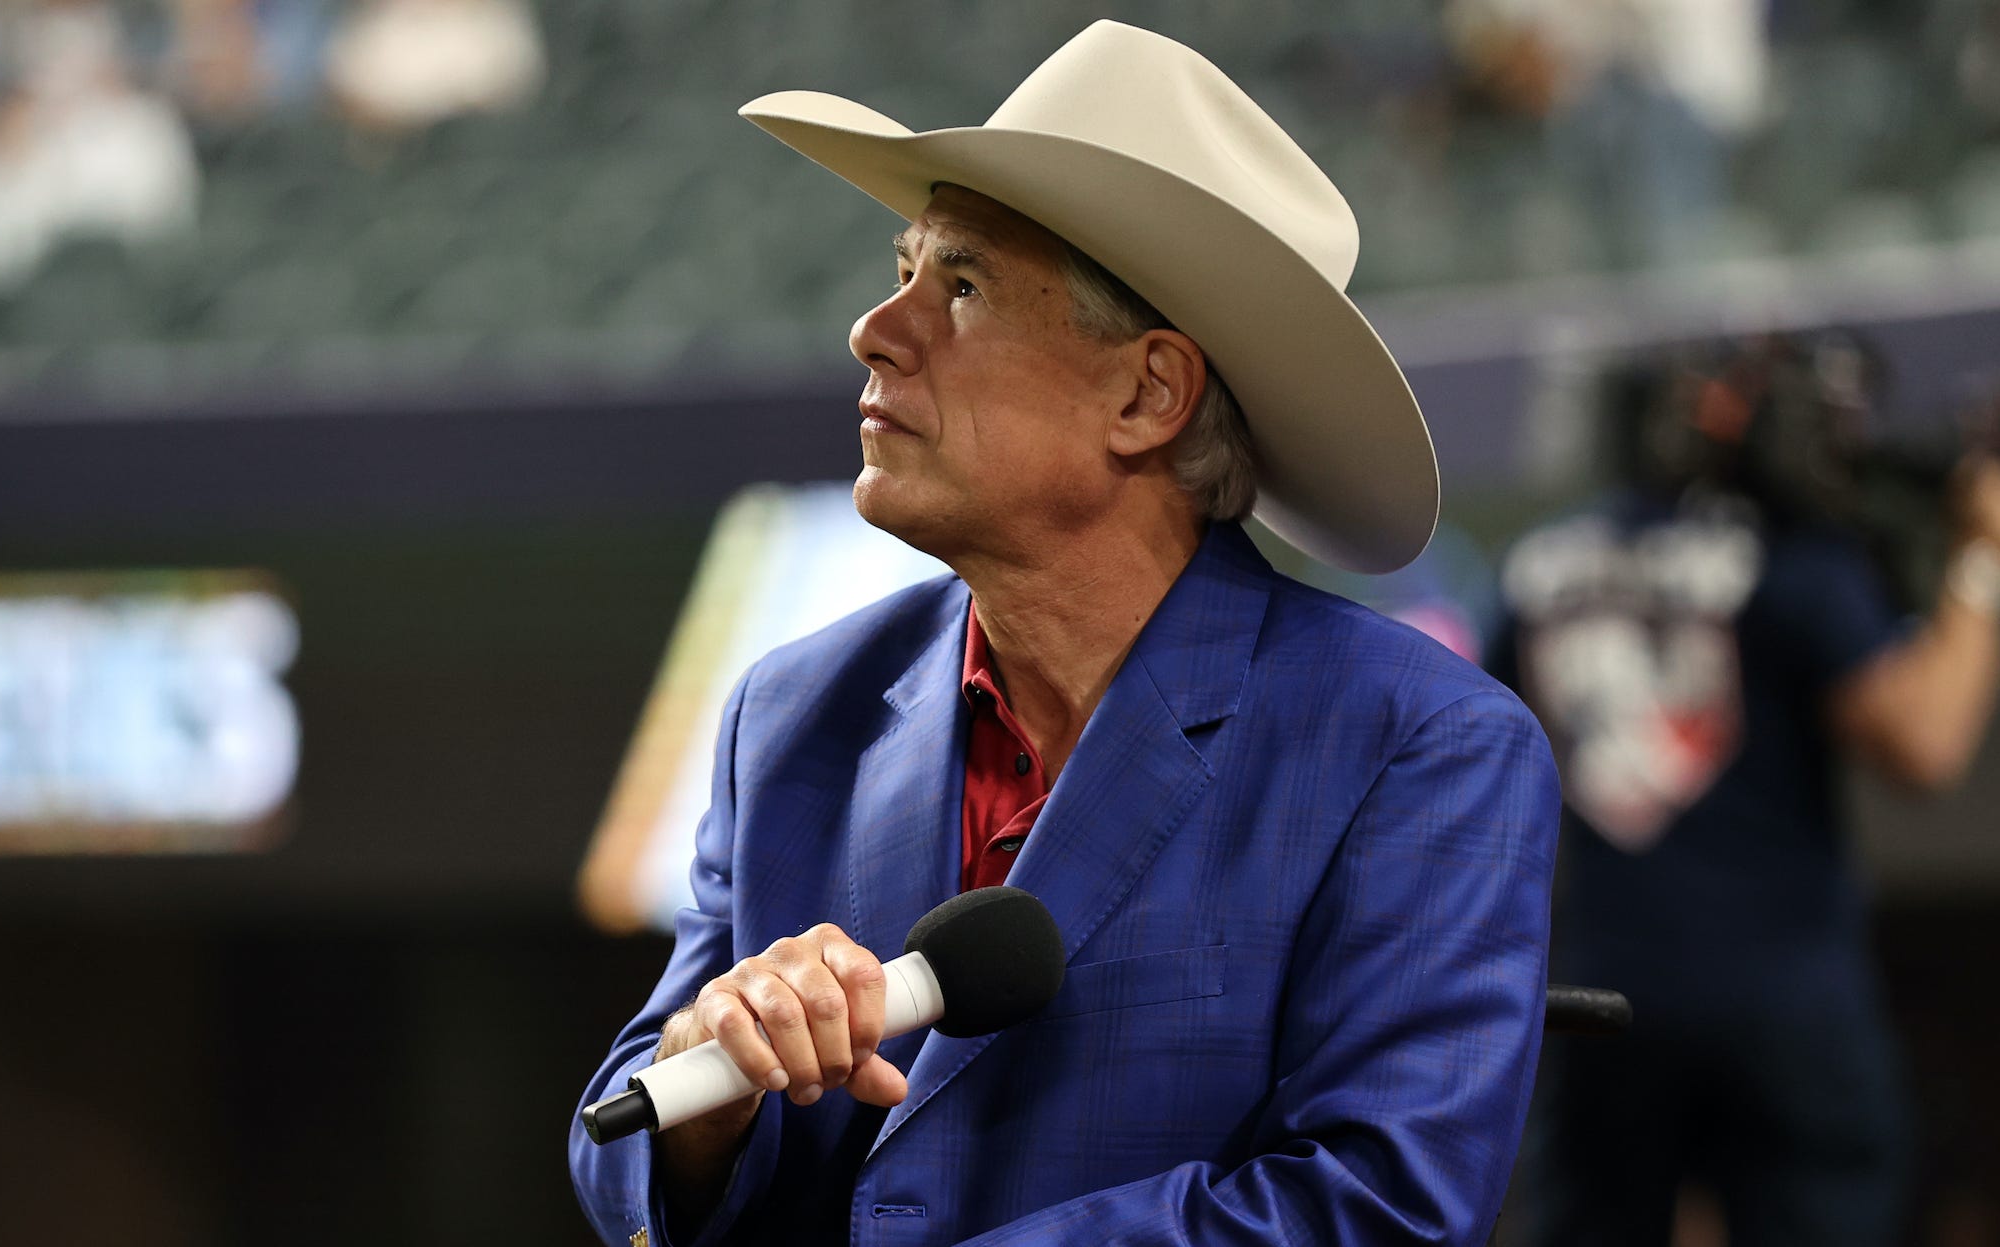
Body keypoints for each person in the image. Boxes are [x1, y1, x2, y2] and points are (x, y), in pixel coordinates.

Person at [570, 21, 1560, 1247]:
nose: (877, 328)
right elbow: (622, 1138)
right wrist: (706, 1074)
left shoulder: (1420, 744)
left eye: (964, 285)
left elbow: (1376, 1206)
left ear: (1148, 395)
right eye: (904, 266)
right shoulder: (790, 712)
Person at [1489, 335, 2000, 1245]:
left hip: (1601, 1000)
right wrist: (1983, 566)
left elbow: (1484, 760)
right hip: (1782, 1001)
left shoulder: (1538, 565)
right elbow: (1925, 743)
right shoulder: (1790, 558)